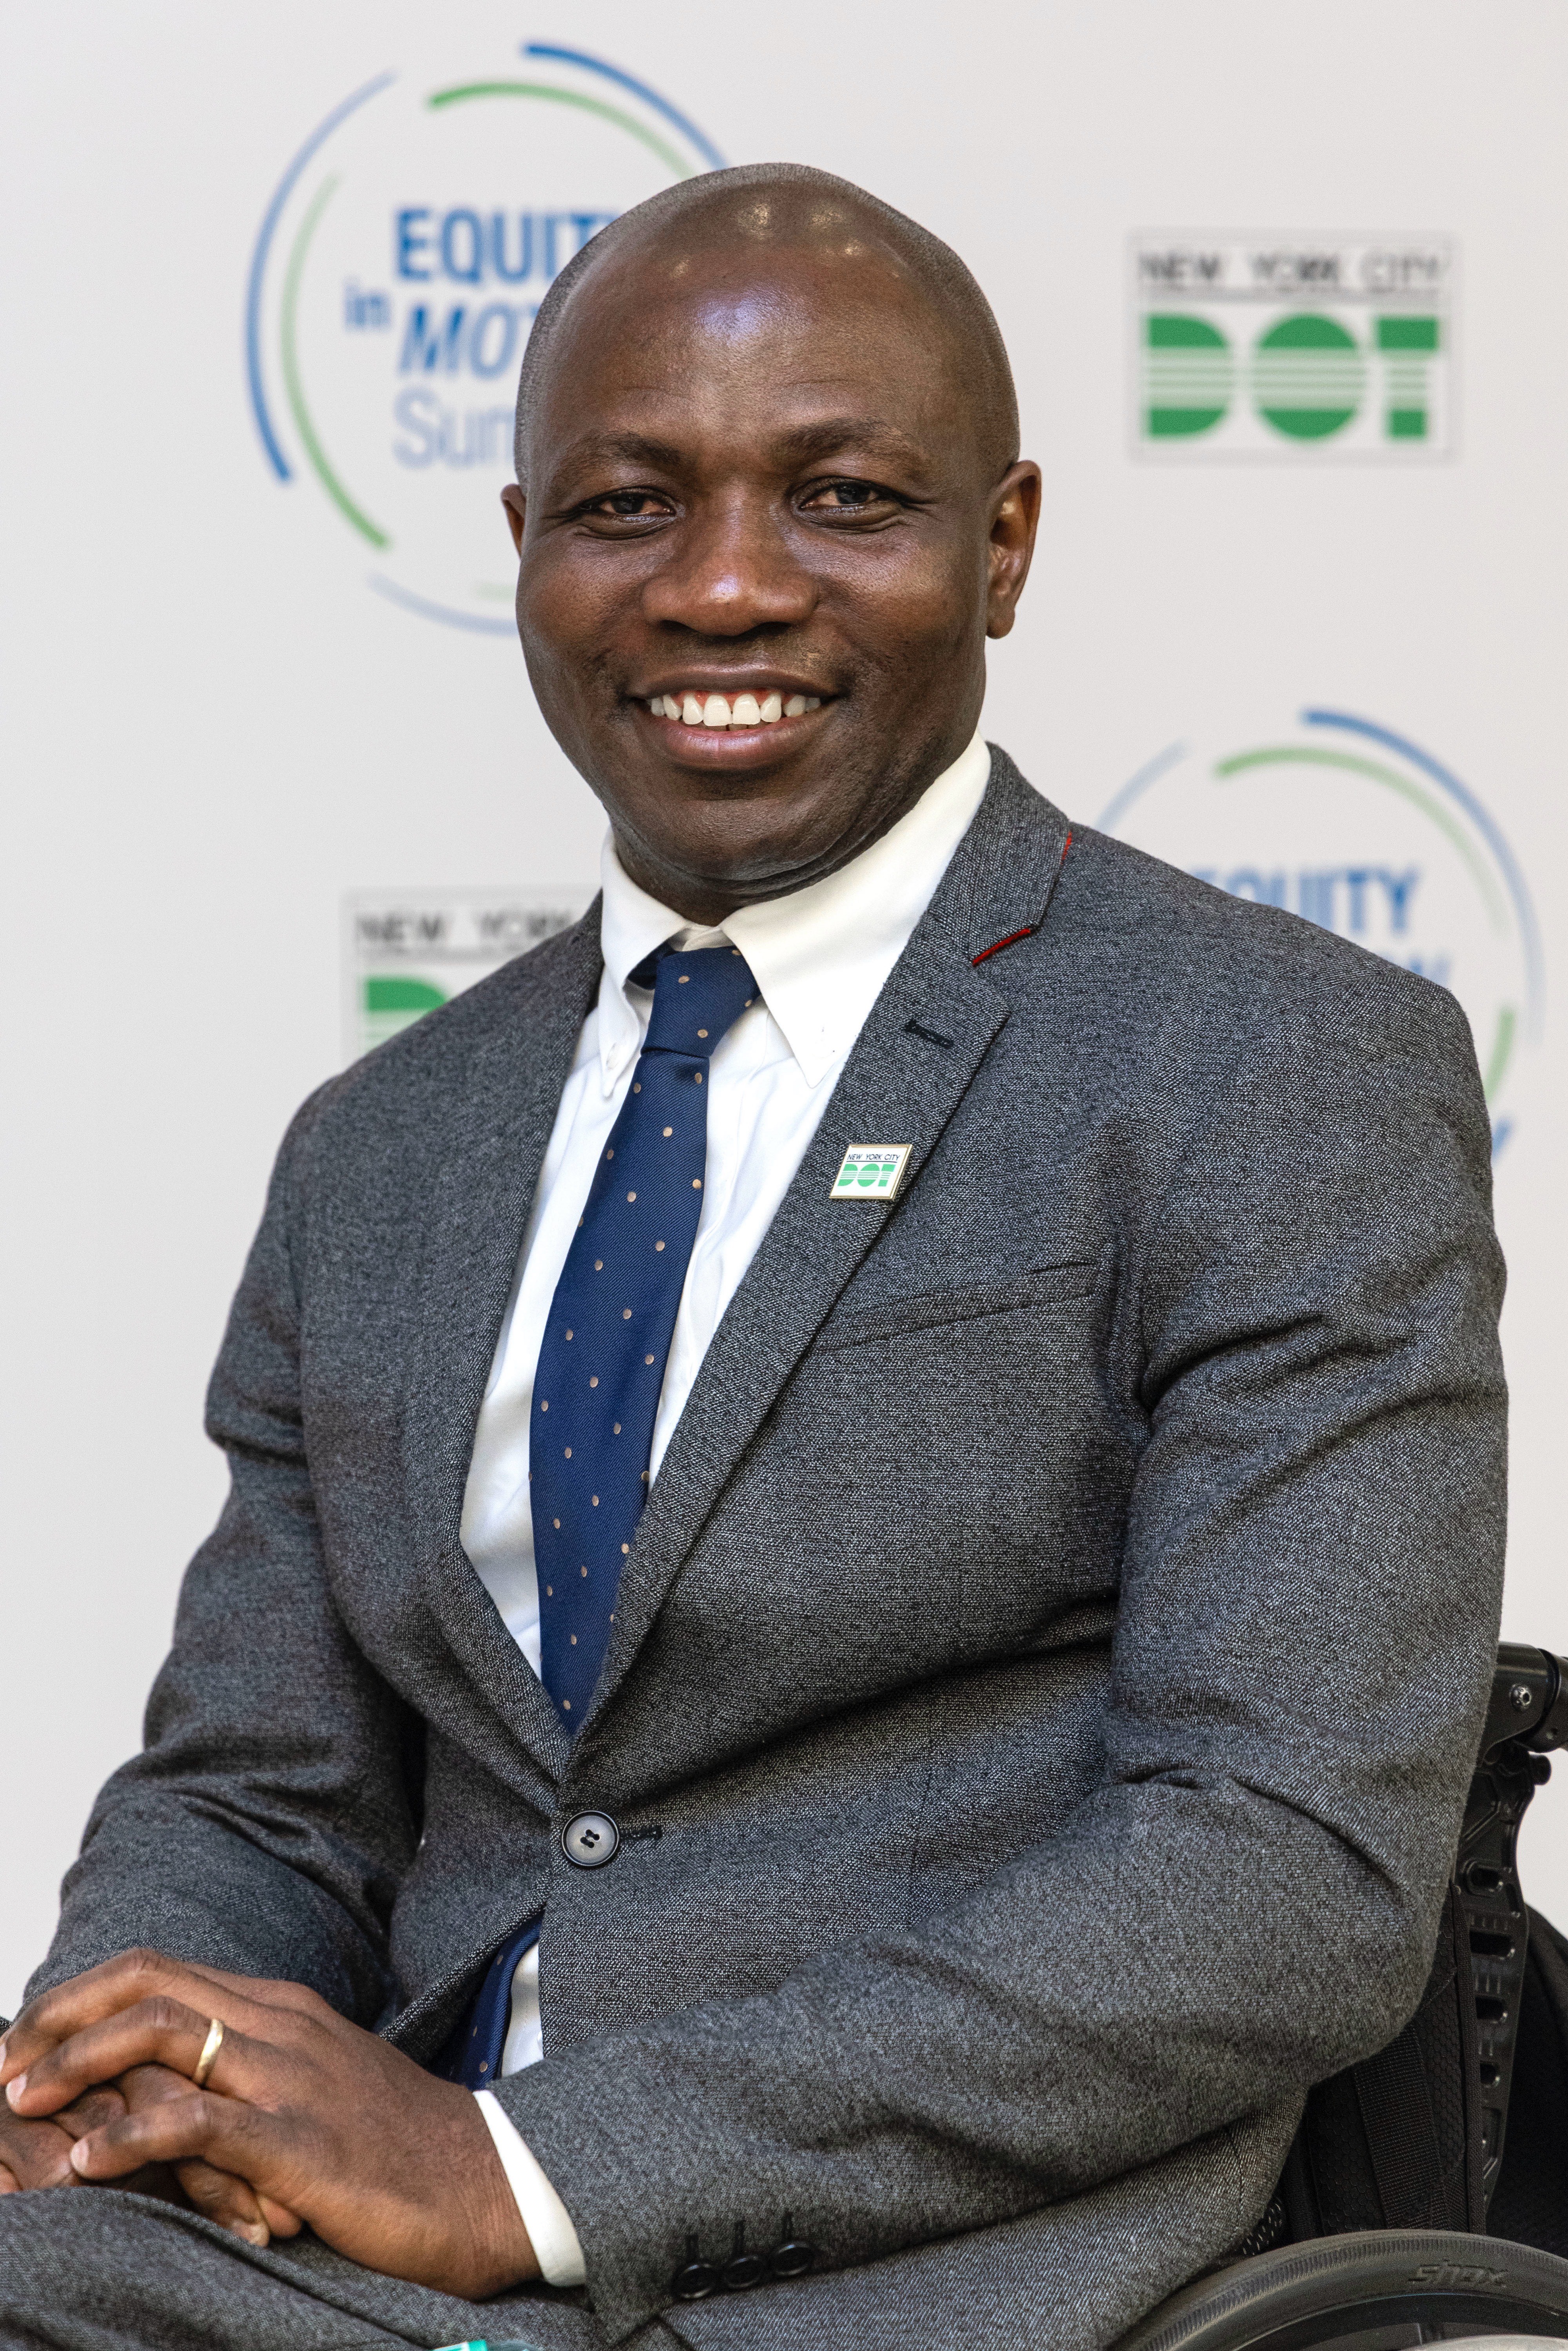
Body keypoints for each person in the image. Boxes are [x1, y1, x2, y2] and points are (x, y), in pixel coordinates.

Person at [0, 163, 1505, 2351]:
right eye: (627, 508)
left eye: (839, 500)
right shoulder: (385, 1153)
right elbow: (263, 1795)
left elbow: (1278, 1874)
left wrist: (521, 2169)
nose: (721, 589)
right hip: (338, 2277)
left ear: (1001, 546)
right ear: (522, 550)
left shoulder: (1264, 1063)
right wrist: (114, 2076)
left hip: (911, 2292)